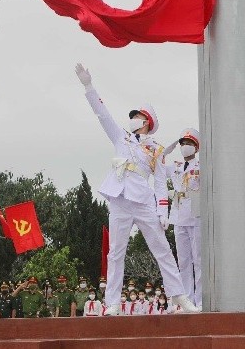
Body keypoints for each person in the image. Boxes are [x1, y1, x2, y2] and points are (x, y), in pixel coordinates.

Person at [74, 62, 199, 315]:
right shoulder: (121, 137)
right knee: (115, 252)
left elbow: (161, 182)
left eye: (137, 117)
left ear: (146, 122)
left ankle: (179, 297)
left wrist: (163, 212)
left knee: (162, 250)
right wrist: (89, 86)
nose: (132, 120)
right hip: (119, 198)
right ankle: (112, 303)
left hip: (142, 201)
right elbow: (102, 114)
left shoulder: (157, 149)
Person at [158, 128, 204, 308]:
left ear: (196, 148)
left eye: (189, 144)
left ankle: (200, 301)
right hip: (177, 216)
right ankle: (187, 301)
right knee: (183, 261)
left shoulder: (202, 166)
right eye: (183, 143)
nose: (185, 147)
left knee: (198, 260)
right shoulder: (175, 167)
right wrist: (169, 147)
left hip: (195, 214)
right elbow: (158, 166)